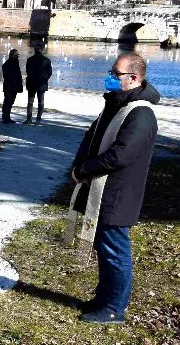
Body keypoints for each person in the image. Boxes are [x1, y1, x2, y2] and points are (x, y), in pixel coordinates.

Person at [68, 52, 160, 325]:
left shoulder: (140, 113)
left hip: (117, 194)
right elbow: (92, 137)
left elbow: (121, 154)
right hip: (101, 190)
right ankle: (104, 298)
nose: (109, 77)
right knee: (103, 247)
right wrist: (78, 165)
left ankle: (114, 309)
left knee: (115, 251)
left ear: (133, 78)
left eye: (114, 73)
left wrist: (85, 170)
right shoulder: (116, 105)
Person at [25, 44, 53, 125]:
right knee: (40, 102)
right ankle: (38, 119)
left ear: (35, 50)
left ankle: (29, 119)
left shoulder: (30, 59)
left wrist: (32, 77)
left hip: (32, 83)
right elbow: (49, 73)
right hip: (41, 84)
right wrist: (44, 79)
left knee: (30, 102)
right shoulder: (47, 60)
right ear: (42, 50)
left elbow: (27, 71)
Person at [1, 48, 23, 124]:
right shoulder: (10, 64)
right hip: (10, 86)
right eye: (16, 55)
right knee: (8, 101)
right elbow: (10, 76)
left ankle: (6, 117)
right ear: (12, 55)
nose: (17, 56)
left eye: (17, 55)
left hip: (12, 86)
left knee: (9, 101)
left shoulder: (13, 63)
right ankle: (6, 117)